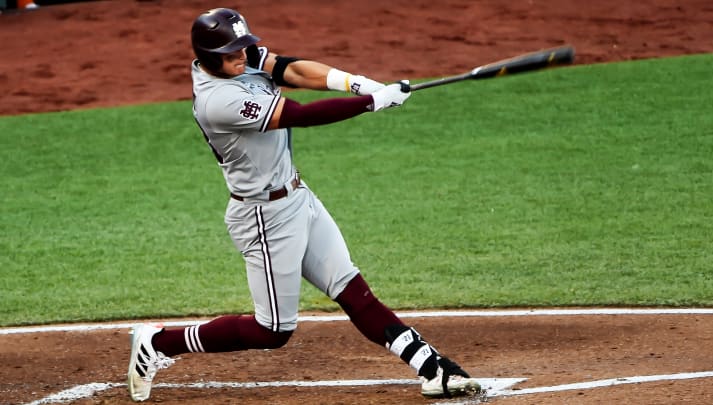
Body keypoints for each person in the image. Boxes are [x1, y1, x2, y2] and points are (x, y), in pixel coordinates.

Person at [126, 7, 484, 402]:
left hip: (297, 198)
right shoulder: (218, 100)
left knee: (351, 288)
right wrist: (372, 103)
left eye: (244, 48)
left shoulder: (239, 62)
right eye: (232, 53)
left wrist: (357, 84)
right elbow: (297, 114)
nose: (242, 56)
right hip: (263, 217)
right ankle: (159, 342)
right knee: (273, 331)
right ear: (210, 57)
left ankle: (433, 369)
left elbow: (293, 71)